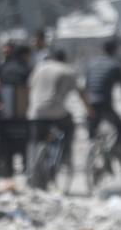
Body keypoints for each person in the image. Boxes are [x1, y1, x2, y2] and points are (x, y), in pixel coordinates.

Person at [28, 49, 90, 177]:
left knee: (35, 141)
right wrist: (90, 110)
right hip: (56, 111)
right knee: (69, 127)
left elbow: (29, 86)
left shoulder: (39, 67)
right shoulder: (66, 70)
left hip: (35, 111)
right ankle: (64, 156)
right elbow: (80, 92)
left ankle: (31, 170)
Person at [84, 40, 121, 157]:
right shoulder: (115, 66)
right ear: (115, 51)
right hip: (104, 103)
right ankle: (114, 150)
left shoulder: (92, 64)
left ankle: (92, 158)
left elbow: (87, 86)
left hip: (89, 103)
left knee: (92, 130)